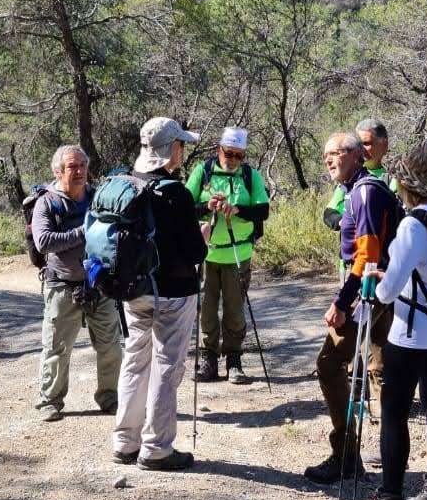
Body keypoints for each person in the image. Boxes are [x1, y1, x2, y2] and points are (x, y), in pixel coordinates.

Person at [353, 140, 427, 500]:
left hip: (412, 333)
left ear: (407, 184)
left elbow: (385, 293)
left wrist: (377, 278)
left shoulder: (413, 224)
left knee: (395, 414)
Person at [303, 132, 402, 484]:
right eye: (325, 154)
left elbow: (368, 253)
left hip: (366, 292)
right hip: (376, 291)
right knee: (382, 368)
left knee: (329, 363)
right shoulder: (358, 189)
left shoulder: (364, 193)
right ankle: (390, 460)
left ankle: (347, 456)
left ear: (356, 155)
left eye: (336, 153)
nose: (329, 160)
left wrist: (342, 302)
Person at [111, 117, 209, 472]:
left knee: (136, 360)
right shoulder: (176, 193)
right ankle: (156, 448)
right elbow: (196, 253)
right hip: (173, 294)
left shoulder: (125, 184)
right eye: (181, 144)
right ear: (172, 149)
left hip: (133, 291)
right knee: (167, 365)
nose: (183, 150)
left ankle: (125, 441)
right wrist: (204, 235)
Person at [32, 145, 121, 422]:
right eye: (73, 167)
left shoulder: (98, 198)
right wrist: (85, 231)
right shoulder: (46, 203)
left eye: (83, 165)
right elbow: (44, 242)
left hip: (100, 284)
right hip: (62, 286)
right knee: (57, 348)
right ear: (58, 171)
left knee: (110, 346)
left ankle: (110, 397)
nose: (80, 171)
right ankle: (50, 400)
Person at [186, 126, 270, 385]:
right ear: (218, 150)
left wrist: (238, 210)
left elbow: (263, 211)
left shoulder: (250, 175)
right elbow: (185, 207)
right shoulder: (203, 171)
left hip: (238, 254)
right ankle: (209, 360)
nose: (233, 160)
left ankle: (234, 361)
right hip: (207, 255)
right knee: (207, 310)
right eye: (228, 153)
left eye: (238, 155)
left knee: (234, 310)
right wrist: (206, 207)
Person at [323, 117, 397, 236]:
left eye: (367, 143)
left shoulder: (392, 180)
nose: (361, 149)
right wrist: (346, 223)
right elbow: (330, 213)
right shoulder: (348, 179)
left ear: (384, 144)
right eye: (358, 144)